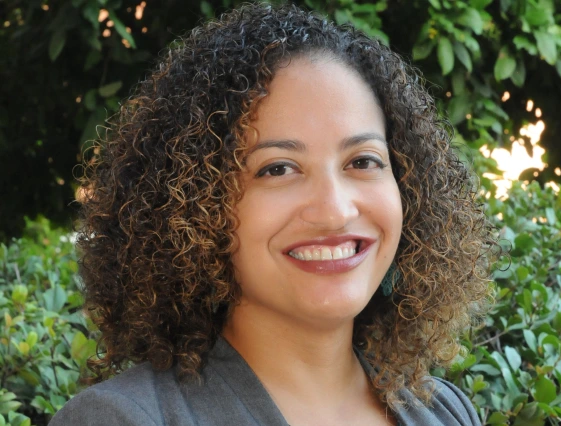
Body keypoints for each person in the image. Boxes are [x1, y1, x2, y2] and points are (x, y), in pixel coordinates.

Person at [49, 2, 496, 425]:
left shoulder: (443, 410)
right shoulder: (126, 418)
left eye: (362, 161)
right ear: (195, 205)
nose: (335, 211)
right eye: (277, 168)